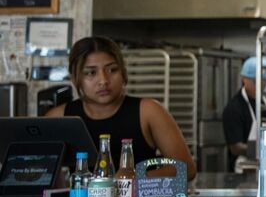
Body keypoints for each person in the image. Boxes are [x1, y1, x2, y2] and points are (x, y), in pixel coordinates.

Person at [47, 36, 196, 181]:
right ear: (75, 78)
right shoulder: (59, 118)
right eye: (91, 73)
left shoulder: (149, 111)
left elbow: (187, 169)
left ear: (123, 72)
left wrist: (131, 179)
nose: (103, 81)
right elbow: (42, 171)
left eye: (112, 70)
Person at [222, 57, 265, 172]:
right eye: (256, 81)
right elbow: (236, 147)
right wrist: (265, 150)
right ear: (244, 79)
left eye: (264, 80)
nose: (262, 84)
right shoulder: (234, 108)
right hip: (243, 170)